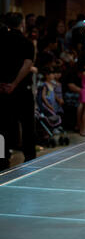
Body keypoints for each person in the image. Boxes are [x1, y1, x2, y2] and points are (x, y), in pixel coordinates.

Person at [0, 13, 36, 170]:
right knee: (27, 123)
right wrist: (14, 83)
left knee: (2, 125)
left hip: (2, 90)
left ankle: (2, 157)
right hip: (21, 89)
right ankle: (30, 157)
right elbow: (27, 64)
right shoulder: (26, 42)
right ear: (22, 23)